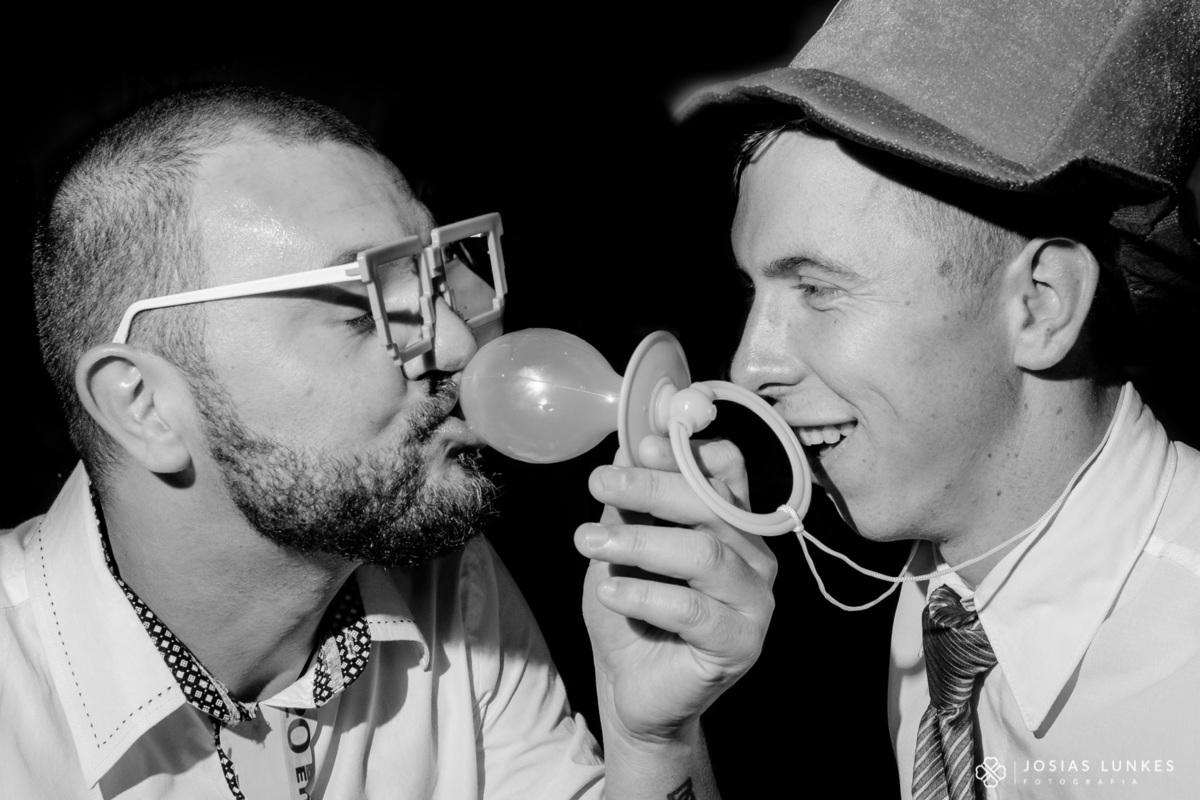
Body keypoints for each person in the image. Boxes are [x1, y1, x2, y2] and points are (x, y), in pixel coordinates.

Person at [0, 85, 774, 799]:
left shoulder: (453, 589)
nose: (457, 346)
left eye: (438, 283)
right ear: (143, 406)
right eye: (365, 308)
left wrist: (654, 734)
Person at [587, 0, 1200, 798]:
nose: (746, 369)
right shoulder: (937, 599)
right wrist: (657, 738)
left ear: (1041, 303)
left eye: (816, 288)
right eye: (757, 292)